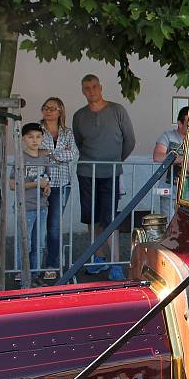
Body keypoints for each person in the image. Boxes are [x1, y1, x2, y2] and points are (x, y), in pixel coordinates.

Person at [73, 74, 136, 281]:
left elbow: (130, 140)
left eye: (94, 86)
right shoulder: (79, 115)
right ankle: (98, 258)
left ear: (100, 87)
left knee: (110, 219)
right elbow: (79, 141)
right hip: (86, 173)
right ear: (82, 91)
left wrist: (115, 161)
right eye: (86, 88)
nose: (91, 91)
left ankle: (116, 263)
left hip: (110, 173)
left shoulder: (117, 110)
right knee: (92, 218)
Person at [40, 97, 78, 280]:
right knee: (38, 226)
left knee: (54, 226)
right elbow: (35, 154)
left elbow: (73, 154)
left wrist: (50, 154)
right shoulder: (37, 131)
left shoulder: (67, 133)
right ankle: (33, 264)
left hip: (62, 184)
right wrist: (56, 156)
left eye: (52, 108)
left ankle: (51, 264)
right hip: (40, 184)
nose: (48, 111)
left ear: (60, 111)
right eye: (46, 108)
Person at [9, 123, 51, 284]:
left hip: (42, 207)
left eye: (38, 136)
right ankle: (22, 274)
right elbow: (13, 184)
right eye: (30, 137)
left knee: (39, 243)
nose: (35, 140)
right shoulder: (20, 158)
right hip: (25, 207)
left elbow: (47, 180)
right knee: (25, 243)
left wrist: (47, 188)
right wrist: (35, 184)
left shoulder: (44, 158)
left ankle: (35, 274)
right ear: (23, 139)